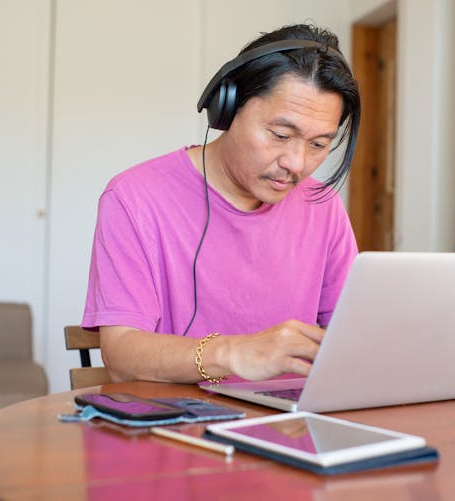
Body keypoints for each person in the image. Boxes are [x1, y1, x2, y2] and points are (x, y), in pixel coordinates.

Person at [81, 23, 361, 384]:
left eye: (319, 145)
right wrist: (234, 353)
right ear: (227, 110)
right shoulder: (133, 198)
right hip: (179, 427)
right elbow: (122, 355)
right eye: (280, 135)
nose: (296, 163)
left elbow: (353, 337)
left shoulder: (323, 205)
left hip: (291, 427)